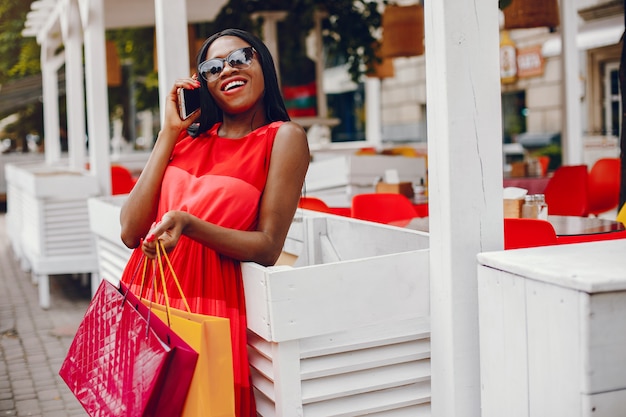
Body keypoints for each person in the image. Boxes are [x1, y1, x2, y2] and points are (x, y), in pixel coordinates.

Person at [119, 28, 310, 416]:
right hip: (146, 292)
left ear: (263, 64)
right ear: (202, 83)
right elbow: (129, 231)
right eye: (212, 66)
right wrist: (167, 134)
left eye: (241, 57)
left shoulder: (283, 139)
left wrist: (191, 225)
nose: (227, 70)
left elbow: (269, 247)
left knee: (204, 407)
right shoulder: (187, 140)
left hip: (207, 306)